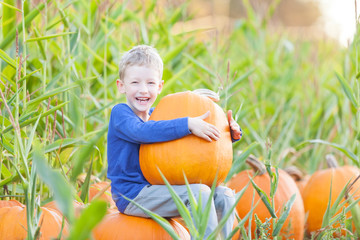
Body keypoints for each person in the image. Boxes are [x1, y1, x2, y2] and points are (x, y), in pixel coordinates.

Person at [107, 45, 242, 239]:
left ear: (160, 86)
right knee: (200, 193)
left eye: (150, 83)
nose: (143, 90)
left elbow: (189, 148)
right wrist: (188, 122)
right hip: (132, 196)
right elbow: (142, 132)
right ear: (121, 86)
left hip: (159, 189)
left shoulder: (158, 115)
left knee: (224, 195)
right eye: (135, 82)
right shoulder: (120, 114)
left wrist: (228, 133)